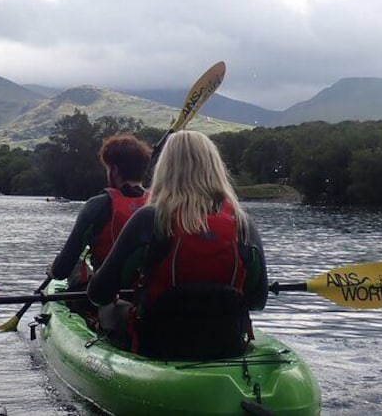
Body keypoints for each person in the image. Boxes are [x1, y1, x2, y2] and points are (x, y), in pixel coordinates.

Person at [87, 130, 268, 358]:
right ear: (216, 169)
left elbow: (99, 294)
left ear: (165, 169)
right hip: (226, 343)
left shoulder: (149, 218)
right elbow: (258, 301)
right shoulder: (243, 223)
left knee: (108, 309)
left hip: (159, 344)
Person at [47, 134, 152, 297]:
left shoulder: (97, 206)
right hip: (145, 295)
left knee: (75, 267)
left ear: (115, 170)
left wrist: (52, 270)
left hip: (106, 296)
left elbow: (62, 270)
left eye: (108, 169)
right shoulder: (160, 204)